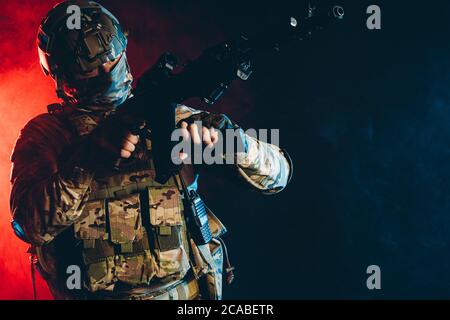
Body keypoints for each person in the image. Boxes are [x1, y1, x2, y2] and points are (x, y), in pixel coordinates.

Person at [9, 0, 292, 300]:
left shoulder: (170, 118)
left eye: (111, 58)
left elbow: (280, 175)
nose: (107, 70)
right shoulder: (47, 137)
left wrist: (237, 145)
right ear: (62, 77)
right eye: (91, 68)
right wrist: (87, 161)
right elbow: (29, 225)